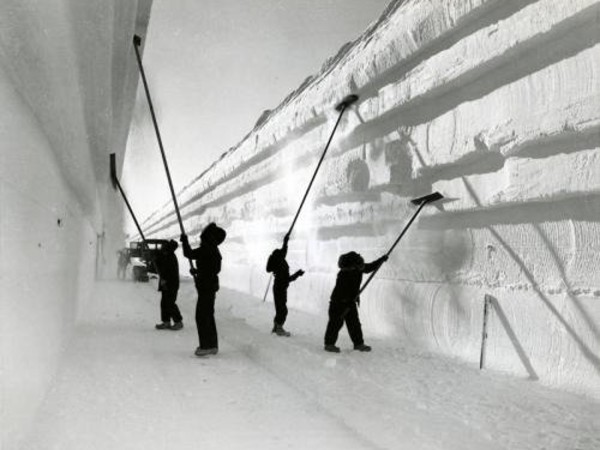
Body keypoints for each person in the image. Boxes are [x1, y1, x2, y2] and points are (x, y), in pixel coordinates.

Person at [324, 251, 388, 353]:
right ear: (352, 265)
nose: (362, 266)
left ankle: (359, 344)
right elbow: (341, 291)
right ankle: (329, 344)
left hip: (350, 302)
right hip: (338, 303)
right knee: (335, 324)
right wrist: (348, 301)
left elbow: (369, 267)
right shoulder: (343, 275)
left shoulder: (358, 269)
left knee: (354, 324)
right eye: (359, 264)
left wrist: (381, 260)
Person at [181, 223, 226, 357]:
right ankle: (212, 345)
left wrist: (185, 241)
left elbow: (188, 253)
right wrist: (198, 271)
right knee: (208, 316)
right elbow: (211, 268)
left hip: (206, 287)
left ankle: (206, 346)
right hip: (209, 286)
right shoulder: (213, 250)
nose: (202, 239)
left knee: (202, 316)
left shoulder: (207, 249)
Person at [266, 235, 304, 336]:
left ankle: (276, 327)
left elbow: (284, 249)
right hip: (280, 288)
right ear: (279, 257)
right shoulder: (281, 266)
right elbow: (288, 279)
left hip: (280, 287)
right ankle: (279, 328)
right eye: (281, 253)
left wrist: (285, 240)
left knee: (280, 308)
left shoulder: (278, 262)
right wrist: (297, 274)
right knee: (282, 310)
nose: (283, 253)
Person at [154, 240, 183, 330]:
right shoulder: (166, 255)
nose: (162, 247)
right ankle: (166, 321)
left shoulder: (170, 257)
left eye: (164, 246)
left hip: (171, 284)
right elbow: (159, 265)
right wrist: (156, 258)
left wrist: (165, 280)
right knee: (164, 303)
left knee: (170, 303)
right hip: (166, 283)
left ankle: (178, 322)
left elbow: (167, 271)